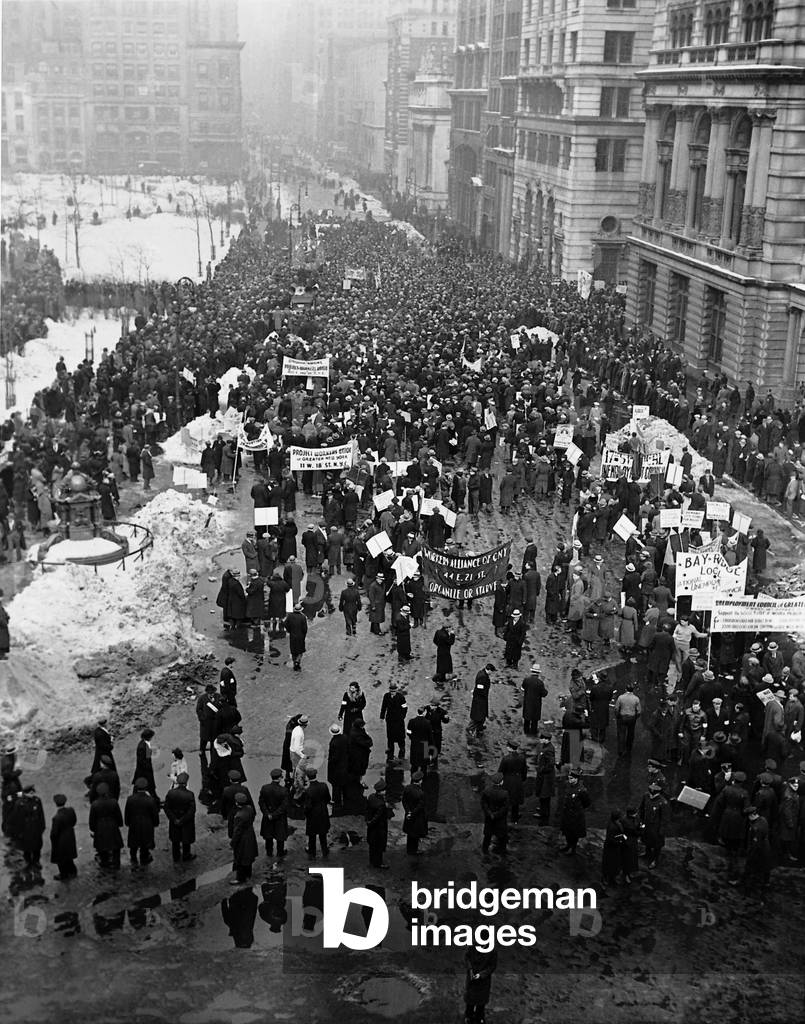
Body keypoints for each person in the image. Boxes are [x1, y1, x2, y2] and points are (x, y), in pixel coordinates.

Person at [125, 777, 160, 867]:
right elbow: (154, 814)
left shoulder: (130, 799)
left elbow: (127, 813)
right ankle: (144, 858)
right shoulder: (150, 800)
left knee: (134, 843)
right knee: (144, 843)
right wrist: (155, 823)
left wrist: (128, 822)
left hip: (134, 823)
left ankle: (133, 858)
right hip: (147, 824)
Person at [89, 782, 124, 869]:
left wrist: (93, 829)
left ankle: (104, 863)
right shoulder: (113, 802)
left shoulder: (95, 804)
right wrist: (119, 824)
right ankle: (116, 863)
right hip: (112, 825)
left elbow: (92, 819)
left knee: (102, 847)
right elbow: (118, 816)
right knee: (116, 846)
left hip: (100, 827)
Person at [163, 772, 196, 863]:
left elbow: (166, 808)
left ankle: (176, 857)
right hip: (186, 821)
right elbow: (192, 811)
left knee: (175, 840)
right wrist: (182, 820)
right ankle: (186, 855)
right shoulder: (190, 794)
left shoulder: (171, 793)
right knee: (186, 839)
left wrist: (174, 819)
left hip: (174, 820)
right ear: (186, 783)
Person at [11, 785, 46, 868]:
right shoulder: (20, 803)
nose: (33, 794)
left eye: (33, 792)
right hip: (25, 829)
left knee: (37, 847)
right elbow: (17, 819)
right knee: (26, 847)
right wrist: (18, 832)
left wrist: (42, 827)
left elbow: (41, 815)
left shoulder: (37, 801)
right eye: (31, 793)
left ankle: (36, 861)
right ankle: (28, 861)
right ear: (26, 793)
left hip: (36, 828)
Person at [259, 768, 289, 859]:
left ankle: (269, 852)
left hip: (267, 817)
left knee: (268, 836)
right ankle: (280, 852)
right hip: (279, 818)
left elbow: (261, 803)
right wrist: (275, 814)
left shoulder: (265, 788)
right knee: (280, 836)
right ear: (279, 778)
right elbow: (284, 806)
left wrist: (267, 813)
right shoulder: (283, 790)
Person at [229, 791, 259, 884]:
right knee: (248, 856)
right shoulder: (249, 809)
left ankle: (240, 878)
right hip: (250, 835)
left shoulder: (239, 816)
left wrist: (233, 843)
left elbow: (237, 832)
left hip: (242, 839)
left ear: (237, 803)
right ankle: (248, 873)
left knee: (240, 857)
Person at [464, 944, 498, 1024]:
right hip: (472, 978)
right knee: (470, 1000)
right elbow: (467, 957)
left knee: (481, 1001)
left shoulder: (492, 950)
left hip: (483, 981)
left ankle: (479, 1016)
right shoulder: (472, 946)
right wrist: (470, 969)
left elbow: (492, 966)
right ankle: (469, 1015)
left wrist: (481, 975)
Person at [639, 781, 670, 869]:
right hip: (647, 824)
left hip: (656, 828)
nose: (651, 796)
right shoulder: (646, 796)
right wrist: (641, 821)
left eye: (654, 795)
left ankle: (655, 860)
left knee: (657, 845)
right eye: (650, 793)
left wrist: (661, 831)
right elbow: (641, 808)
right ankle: (647, 853)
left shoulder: (663, 803)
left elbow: (665, 819)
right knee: (646, 840)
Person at [302, 767, 331, 859]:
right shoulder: (324, 785)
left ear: (307, 777)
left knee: (312, 837)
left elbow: (307, 806)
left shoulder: (308, 790)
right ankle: (324, 851)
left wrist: (305, 813)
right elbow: (328, 799)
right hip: (322, 813)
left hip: (312, 815)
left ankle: (312, 853)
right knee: (323, 835)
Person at [559, 769, 590, 854]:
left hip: (576, 816)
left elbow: (587, 803)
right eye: (569, 778)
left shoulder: (581, 790)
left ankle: (573, 848)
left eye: (572, 778)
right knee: (567, 831)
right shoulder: (568, 785)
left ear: (576, 779)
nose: (570, 780)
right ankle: (568, 845)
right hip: (567, 814)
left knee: (574, 833)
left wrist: (578, 809)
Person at [498, 741, 527, 824]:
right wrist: (522, 779)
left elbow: (501, 772)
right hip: (518, 781)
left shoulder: (506, 758)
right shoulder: (522, 758)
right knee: (516, 801)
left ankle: (504, 818)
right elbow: (524, 771)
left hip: (507, 781)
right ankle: (515, 819)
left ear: (509, 748)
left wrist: (500, 781)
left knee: (506, 800)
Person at [50, 793, 77, 880]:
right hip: (70, 835)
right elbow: (74, 821)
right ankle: (73, 871)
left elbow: (54, 833)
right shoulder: (71, 810)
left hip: (61, 839)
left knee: (61, 858)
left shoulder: (56, 818)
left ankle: (63, 874)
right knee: (69, 856)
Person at [481, 772, 510, 855]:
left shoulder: (486, 791)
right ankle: (502, 851)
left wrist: (489, 813)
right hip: (500, 819)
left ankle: (485, 850)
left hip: (489, 818)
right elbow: (505, 808)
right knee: (502, 836)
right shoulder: (505, 793)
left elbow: (483, 803)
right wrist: (497, 814)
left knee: (487, 835)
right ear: (501, 782)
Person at [366, 779, 391, 868]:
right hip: (379, 828)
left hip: (372, 828)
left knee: (372, 845)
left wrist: (368, 821)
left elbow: (368, 810)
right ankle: (378, 863)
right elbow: (377, 817)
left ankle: (372, 860)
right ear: (382, 791)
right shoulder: (381, 804)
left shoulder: (371, 797)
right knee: (379, 846)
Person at [402, 769, 428, 856]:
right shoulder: (421, 793)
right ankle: (414, 850)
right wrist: (413, 813)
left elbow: (404, 801)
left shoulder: (407, 788)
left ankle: (409, 849)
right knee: (415, 833)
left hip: (409, 814)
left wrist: (408, 812)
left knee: (410, 833)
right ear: (420, 781)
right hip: (417, 817)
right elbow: (420, 806)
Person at [380, 681, 408, 759]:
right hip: (390, 719)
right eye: (391, 691)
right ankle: (390, 748)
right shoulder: (386, 696)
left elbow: (405, 708)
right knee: (390, 734)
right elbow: (384, 707)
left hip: (399, 720)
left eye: (394, 691)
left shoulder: (401, 697)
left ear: (396, 690)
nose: (392, 693)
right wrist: (382, 717)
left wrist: (402, 716)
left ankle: (402, 747)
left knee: (400, 735)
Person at [533, 735, 557, 824]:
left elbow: (551, 764)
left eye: (542, 738)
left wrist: (542, 769)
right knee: (542, 794)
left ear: (546, 739)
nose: (540, 740)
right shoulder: (545, 746)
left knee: (545, 795)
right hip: (543, 776)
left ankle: (544, 815)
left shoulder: (549, 749)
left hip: (546, 777)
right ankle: (542, 809)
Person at [327, 723, 349, 812]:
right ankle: (345, 801)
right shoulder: (345, 738)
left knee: (336, 786)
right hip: (345, 765)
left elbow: (334, 758)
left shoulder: (333, 743)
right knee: (344, 785)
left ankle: (337, 804)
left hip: (336, 769)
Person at [614, 684, 641, 757]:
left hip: (622, 717)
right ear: (633, 690)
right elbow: (639, 711)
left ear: (626, 689)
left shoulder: (621, 697)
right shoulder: (636, 699)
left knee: (621, 733)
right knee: (631, 733)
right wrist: (635, 717)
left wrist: (617, 716)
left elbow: (616, 708)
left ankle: (621, 750)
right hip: (632, 718)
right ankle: (629, 748)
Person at [602, 809, 626, 887]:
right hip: (611, 848)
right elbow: (610, 839)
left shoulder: (615, 823)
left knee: (614, 864)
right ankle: (605, 878)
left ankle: (612, 878)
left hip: (614, 847)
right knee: (609, 863)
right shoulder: (613, 826)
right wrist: (619, 842)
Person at [521, 664, 547, 735]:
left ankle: (526, 731)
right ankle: (533, 732)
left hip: (527, 702)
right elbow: (544, 694)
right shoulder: (540, 683)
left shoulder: (526, 680)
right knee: (534, 720)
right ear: (538, 673)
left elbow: (522, 688)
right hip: (536, 704)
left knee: (527, 718)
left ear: (532, 671)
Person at [132, 728, 157, 798]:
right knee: (149, 786)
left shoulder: (144, 744)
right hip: (144, 771)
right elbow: (142, 760)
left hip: (144, 770)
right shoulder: (142, 746)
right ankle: (155, 800)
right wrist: (148, 768)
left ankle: (155, 798)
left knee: (140, 786)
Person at [470, 664, 493, 734]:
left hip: (481, 698)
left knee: (481, 715)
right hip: (480, 699)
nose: (491, 673)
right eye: (491, 671)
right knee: (478, 715)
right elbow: (480, 689)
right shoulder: (482, 677)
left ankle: (480, 726)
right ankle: (471, 728)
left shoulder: (482, 673)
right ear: (488, 670)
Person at [284, 602, 308, 670]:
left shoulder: (290, 616)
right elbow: (305, 629)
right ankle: (297, 661)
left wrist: (289, 630)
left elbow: (285, 624)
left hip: (293, 636)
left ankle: (295, 662)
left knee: (293, 650)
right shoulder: (303, 617)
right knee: (300, 651)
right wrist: (304, 636)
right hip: (300, 636)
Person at [432, 612, 455, 682]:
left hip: (440, 650)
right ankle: (441, 679)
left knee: (440, 665)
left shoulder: (438, 632)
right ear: (447, 628)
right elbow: (451, 642)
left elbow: (434, 640)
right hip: (445, 652)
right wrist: (452, 635)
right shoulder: (445, 636)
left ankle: (440, 676)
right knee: (445, 666)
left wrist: (440, 645)